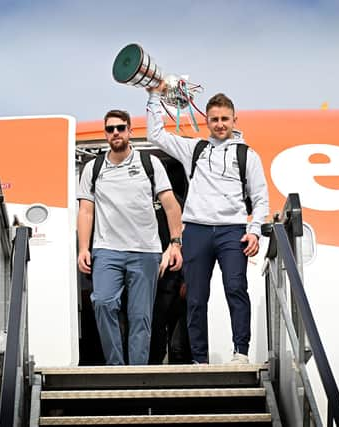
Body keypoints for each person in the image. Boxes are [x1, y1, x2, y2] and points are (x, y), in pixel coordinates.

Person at [146, 86, 269, 364]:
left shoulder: (247, 155)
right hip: (198, 230)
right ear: (208, 122)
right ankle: (199, 358)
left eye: (225, 119)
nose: (220, 124)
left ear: (234, 120)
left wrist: (254, 229)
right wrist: (154, 96)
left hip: (231, 231)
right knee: (196, 298)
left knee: (235, 289)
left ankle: (241, 351)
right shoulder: (196, 149)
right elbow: (156, 135)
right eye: (214, 119)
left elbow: (261, 197)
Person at [77, 109, 183, 365]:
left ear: (129, 131)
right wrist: (83, 249)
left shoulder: (150, 163)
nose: (116, 133)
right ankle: (116, 368)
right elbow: (86, 211)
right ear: (105, 133)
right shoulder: (93, 168)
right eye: (110, 129)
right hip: (106, 250)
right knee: (102, 303)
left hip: (145, 251)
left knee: (140, 316)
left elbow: (171, 206)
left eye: (120, 128)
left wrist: (175, 244)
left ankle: (137, 373)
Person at [149, 192, 192, 365]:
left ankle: (183, 384)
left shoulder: (176, 200)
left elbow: (187, 237)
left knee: (178, 345)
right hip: (148, 277)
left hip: (174, 276)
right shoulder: (135, 195)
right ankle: (151, 381)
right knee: (155, 335)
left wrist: (186, 279)